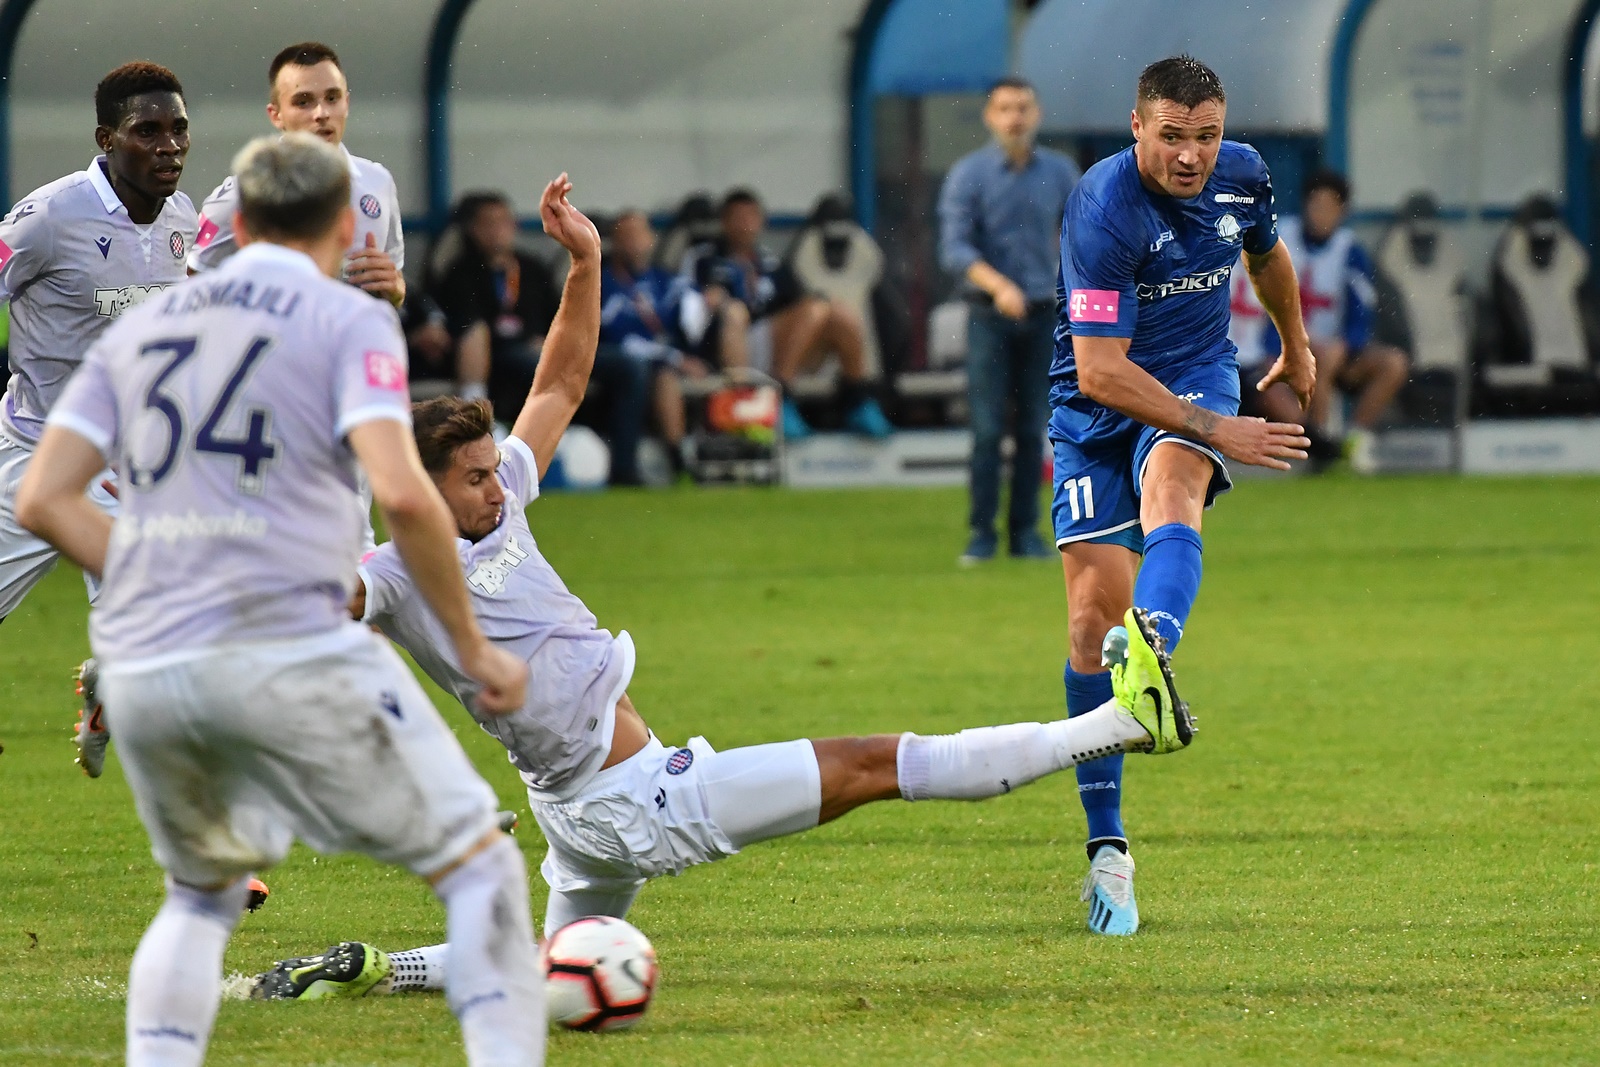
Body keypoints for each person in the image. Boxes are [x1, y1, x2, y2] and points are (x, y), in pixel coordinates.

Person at [240, 196, 1193, 995]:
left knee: (546, 958)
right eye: (477, 477)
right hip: (629, 800)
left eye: (497, 469)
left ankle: (372, 967)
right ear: (422, 486)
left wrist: (587, 261)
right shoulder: (395, 570)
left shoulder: (506, 507)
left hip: (579, 806)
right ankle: (1118, 722)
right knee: (873, 764)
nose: (498, 485)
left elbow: (564, 378)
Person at [15, 133, 543, 1067]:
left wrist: (153, 575)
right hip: (287, 644)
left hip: (152, 659)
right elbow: (410, 494)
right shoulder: (348, 324)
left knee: (200, 894)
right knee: (480, 866)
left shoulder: (145, 326)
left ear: (237, 223)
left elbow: (45, 497)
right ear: (346, 224)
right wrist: (473, 642)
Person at [1051, 55, 1314, 936]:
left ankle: (1153, 649)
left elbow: (1267, 256)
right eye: (1172, 136)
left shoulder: (1244, 174)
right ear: (1137, 128)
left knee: (1173, 485)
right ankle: (1108, 851)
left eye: (1205, 136)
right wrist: (1224, 429)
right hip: (1094, 404)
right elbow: (1099, 369)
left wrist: (1297, 343)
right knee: (1091, 618)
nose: (1193, 156)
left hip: (1198, 374)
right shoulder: (1103, 205)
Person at [0, 62, 196, 775]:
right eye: (148, 131)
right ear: (107, 139)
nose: (168, 145)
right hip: (32, 452)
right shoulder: (47, 217)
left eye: (178, 129)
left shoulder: (183, 222)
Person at [938, 77, 1081, 564]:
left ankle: (1025, 533)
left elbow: (1082, 234)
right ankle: (981, 533)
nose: (1014, 118)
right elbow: (955, 247)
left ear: (1036, 114)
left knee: (1032, 430)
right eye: (1004, 108)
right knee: (985, 429)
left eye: (1022, 108)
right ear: (989, 116)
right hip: (989, 315)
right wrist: (998, 286)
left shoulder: (1061, 172)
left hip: (1045, 314)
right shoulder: (970, 174)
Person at [432, 191, 651, 485]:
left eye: (504, 222)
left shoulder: (532, 268)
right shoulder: (460, 273)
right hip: (502, 356)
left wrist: (548, 339)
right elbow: (468, 329)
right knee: (533, 364)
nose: (498, 230)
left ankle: (625, 470)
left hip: (548, 348)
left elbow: (561, 314)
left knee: (629, 367)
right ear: (473, 230)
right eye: (489, 223)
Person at [188, 42, 406, 308]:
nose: (322, 114)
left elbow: (395, 282)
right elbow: (192, 287)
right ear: (276, 116)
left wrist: (395, 288)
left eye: (332, 98)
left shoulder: (378, 182)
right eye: (303, 102)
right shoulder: (243, 194)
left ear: (346, 103)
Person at [1233, 171, 1408, 473]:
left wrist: (1349, 343)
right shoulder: (1276, 238)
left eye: (1330, 207)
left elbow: (1361, 309)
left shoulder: (1349, 250)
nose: (1321, 214)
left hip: (1331, 351)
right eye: (1316, 205)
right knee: (1295, 373)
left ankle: (1352, 441)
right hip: (1280, 348)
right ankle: (1318, 446)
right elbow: (1261, 301)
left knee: (1392, 363)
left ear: (1342, 212)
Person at [686, 188, 892, 440]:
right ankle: (778, 398)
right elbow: (685, 306)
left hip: (774, 347)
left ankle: (857, 400)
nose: (745, 225)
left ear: (762, 221)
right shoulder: (703, 260)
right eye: (738, 218)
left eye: (751, 217)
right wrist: (709, 299)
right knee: (744, 311)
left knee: (838, 312)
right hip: (728, 345)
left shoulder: (770, 264)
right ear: (725, 222)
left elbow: (795, 306)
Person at [600, 209, 710, 465]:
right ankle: (678, 458)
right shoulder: (604, 284)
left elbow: (694, 322)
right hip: (634, 364)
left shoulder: (666, 279)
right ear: (615, 242)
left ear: (651, 238)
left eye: (640, 233)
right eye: (626, 235)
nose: (634, 242)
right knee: (665, 377)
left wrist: (709, 303)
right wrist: (675, 358)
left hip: (679, 358)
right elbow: (622, 341)